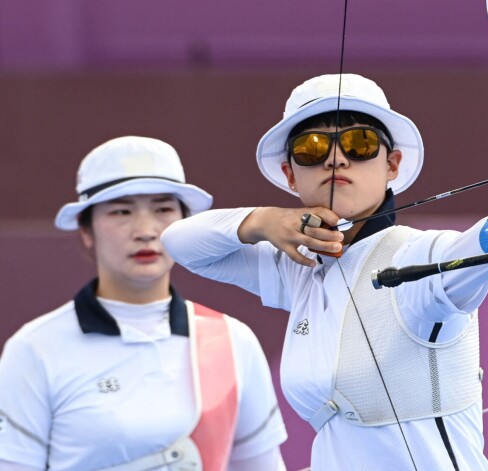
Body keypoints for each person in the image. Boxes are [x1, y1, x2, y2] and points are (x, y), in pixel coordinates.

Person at [160, 74, 488, 470]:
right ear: (290, 175)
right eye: (312, 149)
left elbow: (479, 246)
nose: (336, 160)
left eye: (359, 145)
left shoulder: (416, 258)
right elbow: (179, 241)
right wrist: (261, 220)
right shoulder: (298, 267)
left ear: (391, 164)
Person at [0, 136, 287, 471]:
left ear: (186, 223)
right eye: (121, 211)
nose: (146, 230)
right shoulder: (35, 348)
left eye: (163, 209)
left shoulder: (233, 340)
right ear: (86, 229)